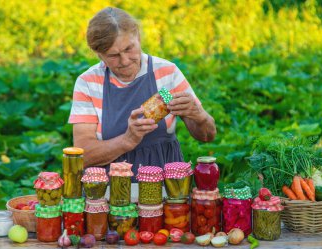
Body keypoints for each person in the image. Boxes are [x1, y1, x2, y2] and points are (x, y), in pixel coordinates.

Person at [68, 7, 216, 177]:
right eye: (113, 55)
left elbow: (207, 136)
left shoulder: (166, 73)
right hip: (107, 194)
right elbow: (82, 156)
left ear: (137, 36)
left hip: (167, 188)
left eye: (129, 49)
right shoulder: (88, 83)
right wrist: (127, 140)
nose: (124, 61)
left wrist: (197, 114)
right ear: (99, 55)